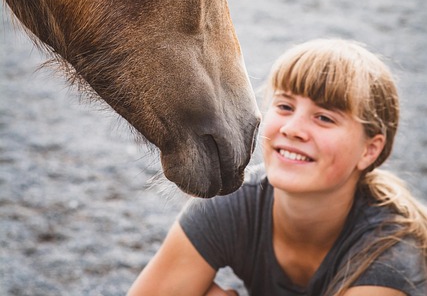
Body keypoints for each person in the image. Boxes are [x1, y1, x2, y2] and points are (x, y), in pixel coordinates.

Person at [127, 38, 427, 296]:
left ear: (369, 150)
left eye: (324, 118)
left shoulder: (389, 251)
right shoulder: (233, 205)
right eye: (284, 106)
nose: (293, 128)